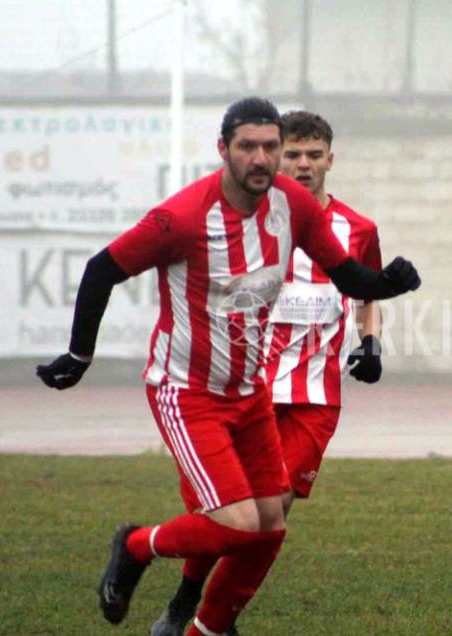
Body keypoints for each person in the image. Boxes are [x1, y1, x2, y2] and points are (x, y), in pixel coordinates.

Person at [35, 97, 420, 636]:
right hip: (187, 391)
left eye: (270, 147)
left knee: (270, 527)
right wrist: (79, 356)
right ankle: (136, 546)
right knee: (237, 524)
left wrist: (388, 285)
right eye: (248, 146)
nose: (261, 158)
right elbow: (102, 270)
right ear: (223, 149)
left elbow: (349, 277)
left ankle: (204, 630)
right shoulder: (183, 217)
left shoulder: (294, 206)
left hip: (251, 390)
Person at [151, 111, 386, 636]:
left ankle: (212, 621)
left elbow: (368, 292)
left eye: (314, 155)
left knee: (272, 509)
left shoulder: (358, 229)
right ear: (278, 157)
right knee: (228, 513)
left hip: (314, 395)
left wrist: (370, 344)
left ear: (330, 160)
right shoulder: (245, 225)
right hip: (245, 389)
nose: (303, 165)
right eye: (294, 154)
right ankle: (187, 599)